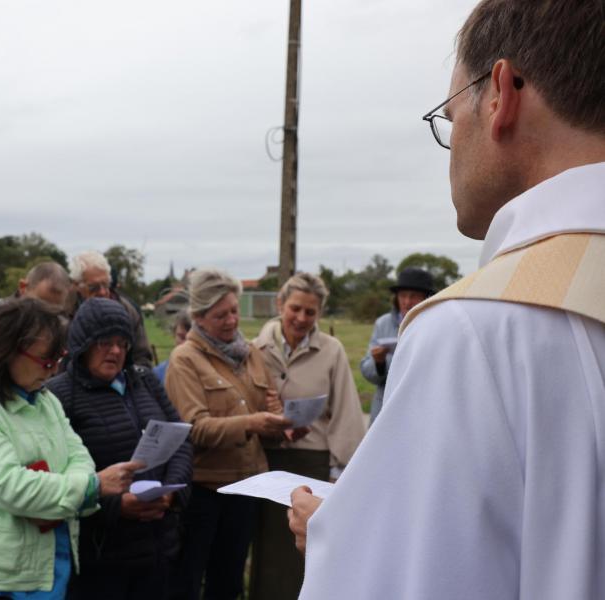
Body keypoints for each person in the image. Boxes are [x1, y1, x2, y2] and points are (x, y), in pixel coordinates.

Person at [291, 1, 605, 598]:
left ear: (501, 95)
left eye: (448, 113)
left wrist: (341, 536)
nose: (450, 141)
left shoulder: (478, 330)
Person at [0, 297, 141, 599]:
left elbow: (79, 456)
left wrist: (65, 487)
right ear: (5, 351)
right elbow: (12, 486)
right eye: (46, 360)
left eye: (59, 358)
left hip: (44, 570)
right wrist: (90, 487)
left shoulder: (45, 401)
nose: (55, 369)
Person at [46, 298, 193, 600]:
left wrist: (173, 494)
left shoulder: (144, 381)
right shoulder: (59, 395)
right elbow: (58, 477)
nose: (115, 351)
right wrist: (115, 507)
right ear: (83, 344)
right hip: (102, 555)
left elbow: (180, 439)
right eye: (104, 342)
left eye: (122, 342)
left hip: (158, 545)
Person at [164, 268, 289, 600]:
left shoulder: (250, 354)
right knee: (188, 579)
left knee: (229, 581)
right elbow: (195, 428)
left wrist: (279, 420)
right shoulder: (184, 361)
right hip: (205, 490)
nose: (232, 320)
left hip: (247, 487)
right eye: (221, 315)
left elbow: (267, 407)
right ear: (200, 319)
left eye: (234, 310)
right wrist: (252, 423)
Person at [249, 272, 365, 600]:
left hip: (311, 465)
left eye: (310, 312)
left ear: (320, 314)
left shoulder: (332, 350)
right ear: (280, 304)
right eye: (295, 308)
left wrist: (341, 470)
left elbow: (346, 412)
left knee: (305, 552)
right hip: (267, 462)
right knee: (268, 550)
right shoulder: (256, 349)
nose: (301, 318)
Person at [359, 267, 433, 423]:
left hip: (423, 407)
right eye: (403, 296)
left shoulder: (437, 324)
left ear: (427, 297)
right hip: (385, 408)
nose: (407, 302)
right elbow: (366, 369)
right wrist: (379, 363)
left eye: (414, 296)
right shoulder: (383, 323)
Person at [69, 251, 154, 368]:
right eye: (93, 287)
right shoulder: (65, 311)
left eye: (106, 285)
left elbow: (142, 358)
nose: (103, 292)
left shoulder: (127, 310)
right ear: (76, 285)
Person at [0, 261, 72, 335]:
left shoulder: (61, 325)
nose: (46, 315)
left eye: (54, 310)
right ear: (23, 287)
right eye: (40, 305)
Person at [152, 311, 191, 383]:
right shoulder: (158, 374)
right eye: (182, 337)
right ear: (174, 334)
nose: (185, 344)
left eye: (191, 339)